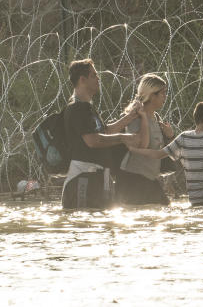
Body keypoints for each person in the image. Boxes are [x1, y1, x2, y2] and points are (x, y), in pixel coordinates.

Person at [61, 58, 143, 211]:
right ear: (82, 80)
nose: (98, 78)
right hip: (83, 178)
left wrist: (130, 116)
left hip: (97, 177)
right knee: (85, 226)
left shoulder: (88, 108)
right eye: (94, 75)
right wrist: (124, 138)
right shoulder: (77, 108)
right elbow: (93, 140)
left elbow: (105, 131)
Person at [115, 73, 173, 206]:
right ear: (152, 95)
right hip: (133, 177)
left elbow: (163, 151)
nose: (165, 97)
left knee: (163, 209)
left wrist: (170, 136)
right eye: (162, 93)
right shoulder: (134, 116)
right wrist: (143, 118)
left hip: (149, 177)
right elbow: (142, 145)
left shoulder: (156, 117)